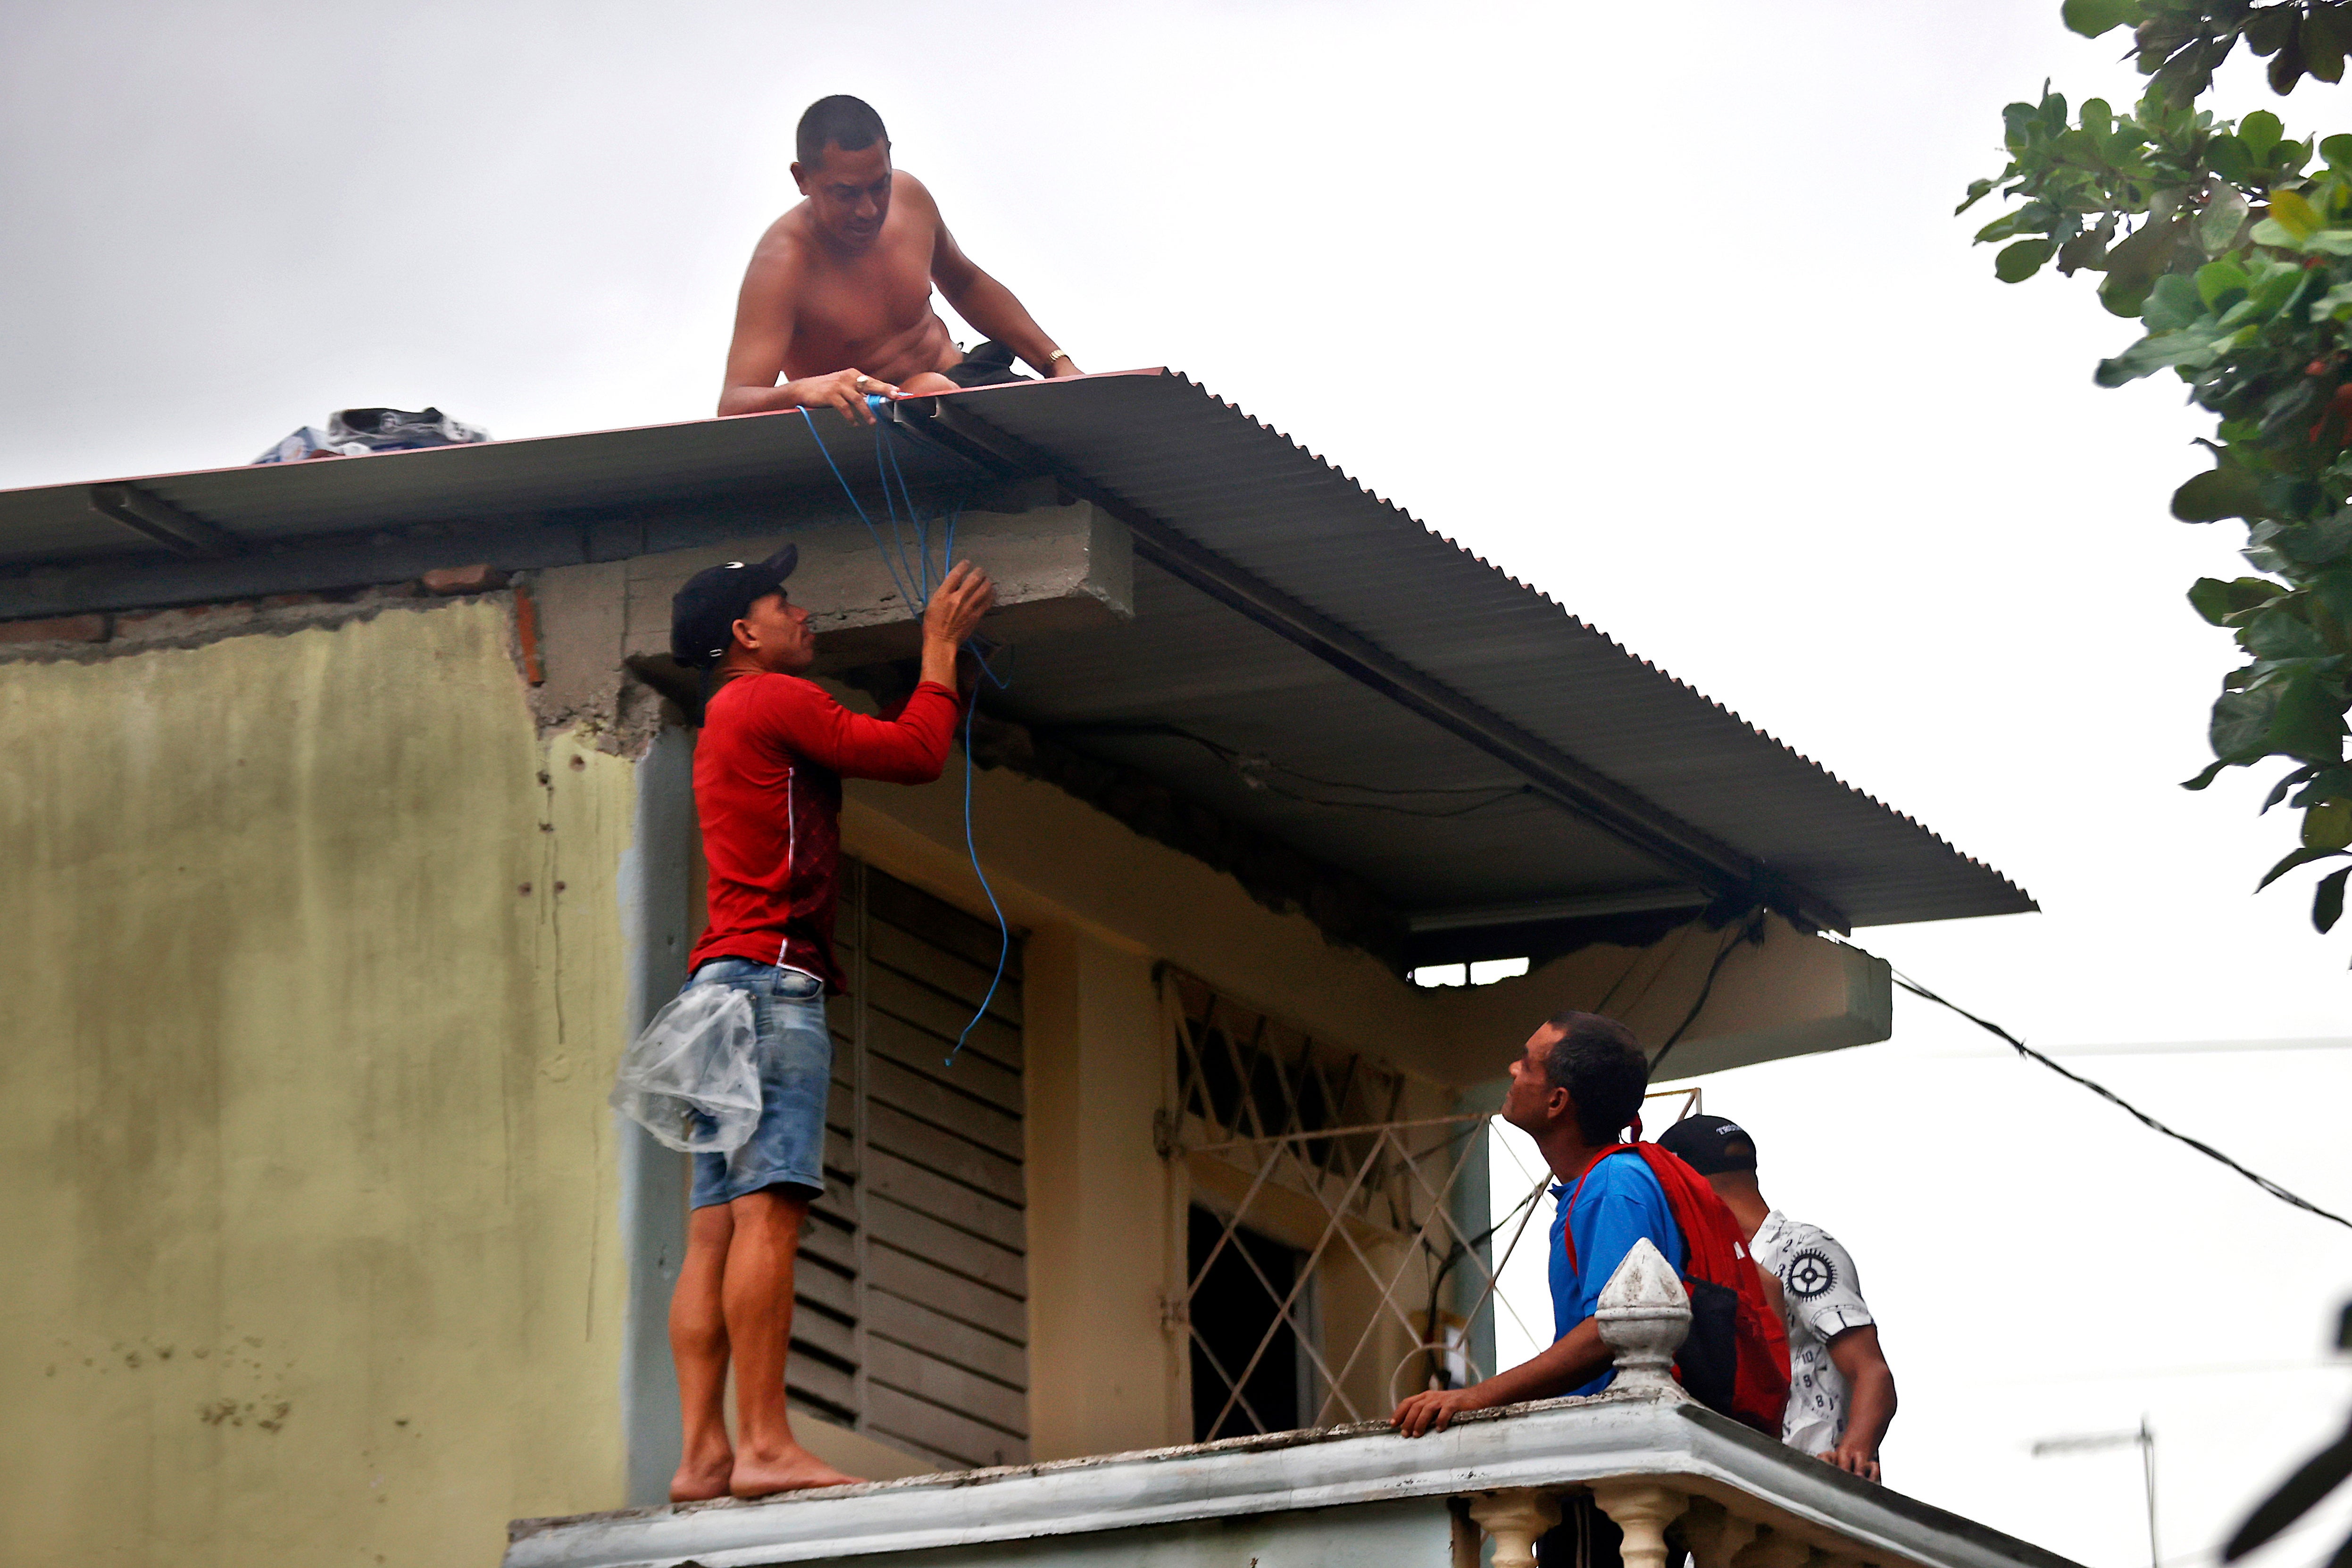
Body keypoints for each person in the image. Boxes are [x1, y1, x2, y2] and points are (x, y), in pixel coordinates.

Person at [659, 543, 995, 1501]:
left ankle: (702, 1456)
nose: (804, 614)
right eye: (784, 601)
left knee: (715, 1227)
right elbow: (913, 754)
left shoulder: (722, 716)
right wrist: (939, 651)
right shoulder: (768, 698)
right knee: (770, 1208)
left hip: (717, 987)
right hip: (772, 985)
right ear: (743, 633)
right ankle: (765, 1447)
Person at [718, 94, 1083, 424]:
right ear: (803, 179)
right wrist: (801, 391)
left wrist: (1057, 363)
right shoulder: (783, 264)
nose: (869, 209)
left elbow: (966, 283)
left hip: (967, 384)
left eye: (880, 185)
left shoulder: (909, 198)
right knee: (925, 390)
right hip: (876, 429)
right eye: (846, 194)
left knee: (1065, 426)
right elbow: (734, 403)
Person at [1655, 1115, 1897, 1483]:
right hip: (1755, 1487)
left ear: (1687, 1185)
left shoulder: (1801, 1249)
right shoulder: (1722, 1263)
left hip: (1818, 1485)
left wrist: (1855, 1454)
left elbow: (1872, 1372)